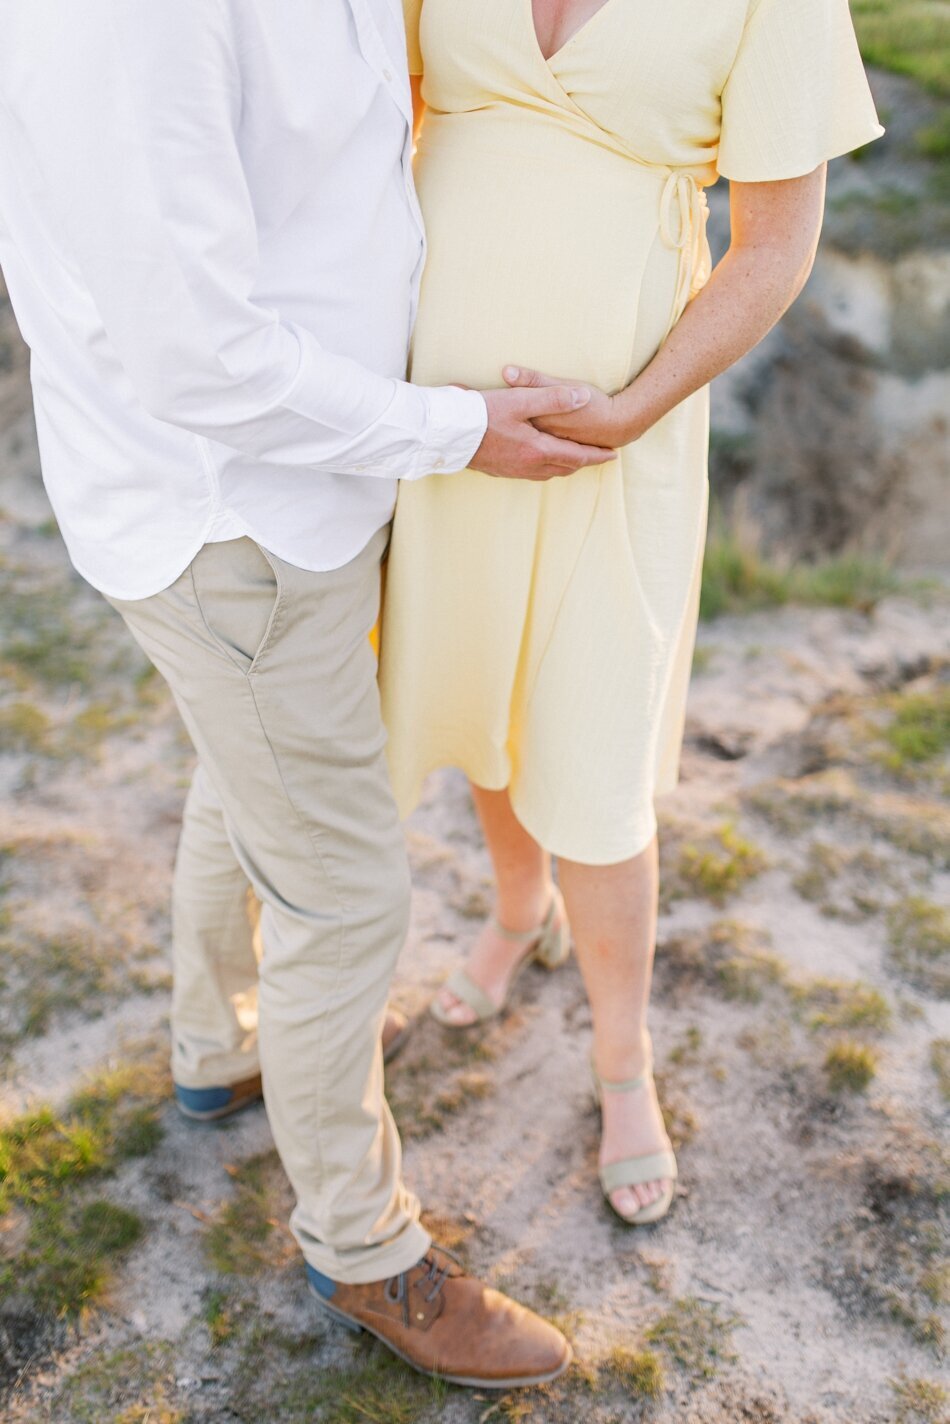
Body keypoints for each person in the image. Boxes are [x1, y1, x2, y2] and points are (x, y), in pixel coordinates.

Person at [0, 0, 627, 1390]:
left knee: (254, 780)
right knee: (346, 893)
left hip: (312, 489)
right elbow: (195, 357)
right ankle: (362, 1245)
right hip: (236, 517)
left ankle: (214, 1047)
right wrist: (452, 430)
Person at [379, 0, 883, 1224]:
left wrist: (629, 407)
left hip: (619, 439)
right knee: (475, 687)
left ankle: (620, 1061)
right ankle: (513, 909)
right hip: (433, 423)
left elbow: (770, 249)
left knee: (594, 757)